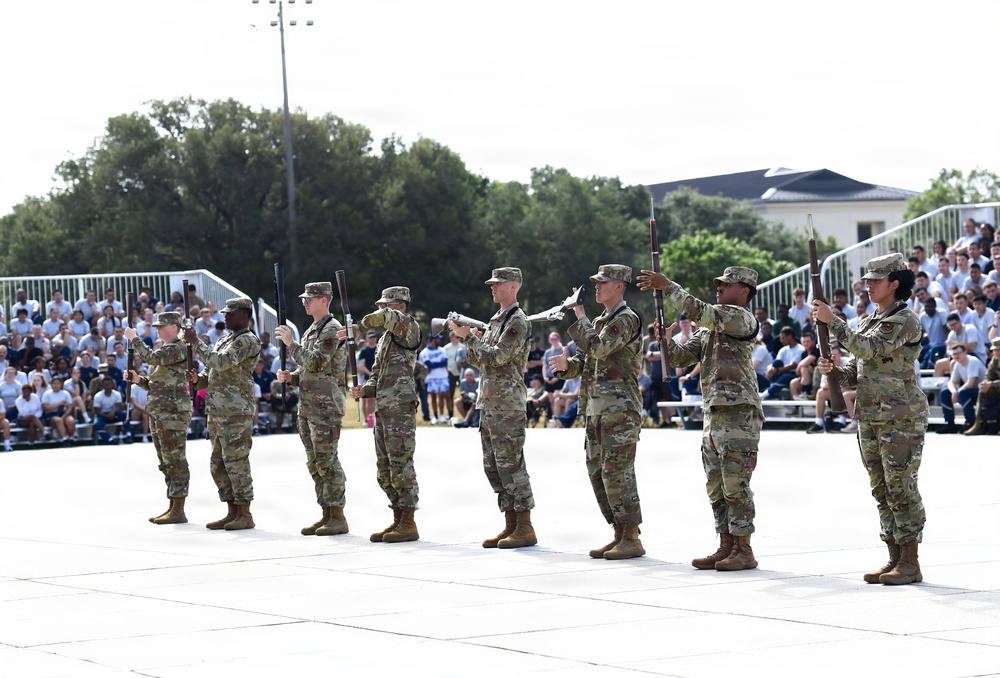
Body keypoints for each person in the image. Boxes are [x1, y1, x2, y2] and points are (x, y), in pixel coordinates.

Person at [638, 265, 763, 572]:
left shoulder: (740, 318)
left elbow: (701, 311)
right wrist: (666, 343)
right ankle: (726, 546)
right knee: (716, 485)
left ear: (744, 291)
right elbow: (683, 358)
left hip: (738, 413)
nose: (719, 288)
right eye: (718, 284)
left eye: (726, 285)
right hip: (714, 413)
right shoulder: (710, 328)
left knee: (736, 484)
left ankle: (744, 549)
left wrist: (669, 287)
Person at [814, 253, 928, 585]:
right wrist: (835, 372)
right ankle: (893, 556)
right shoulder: (868, 319)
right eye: (866, 281)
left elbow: (870, 349)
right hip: (870, 414)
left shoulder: (905, 319)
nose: (868, 286)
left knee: (901, 487)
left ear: (895, 283)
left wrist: (833, 321)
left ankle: (910, 561)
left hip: (900, 417)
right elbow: (858, 371)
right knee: (881, 488)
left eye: (875, 280)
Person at [550, 264, 645, 560]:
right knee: (598, 473)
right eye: (596, 282)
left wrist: (580, 316)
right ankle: (619, 532)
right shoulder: (603, 321)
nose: (597, 286)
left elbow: (600, 349)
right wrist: (568, 368)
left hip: (619, 408)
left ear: (619, 286)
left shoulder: (626, 319)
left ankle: (631, 536)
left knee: (617, 473)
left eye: (603, 282)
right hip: (596, 407)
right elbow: (588, 360)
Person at [451, 267, 537, 550]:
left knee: (511, 465)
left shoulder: (517, 321)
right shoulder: (496, 320)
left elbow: (499, 357)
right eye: (492, 283)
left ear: (513, 286)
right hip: (489, 402)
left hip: (507, 404)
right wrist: (471, 338)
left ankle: (524, 526)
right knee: (493, 466)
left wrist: (470, 337)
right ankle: (510, 523)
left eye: (498, 283)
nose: (493, 287)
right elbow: (480, 362)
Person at [345, 286, 422, 543]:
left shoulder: (407, 326)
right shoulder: (386, 339)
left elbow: (385, 318)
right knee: (385, 468)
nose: (381, 309)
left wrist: (357, 327)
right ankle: (398, 518)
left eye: (385, 305)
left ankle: (408, 522)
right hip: (384, 407)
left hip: (400, 407)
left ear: (400, 304)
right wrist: (364, 390)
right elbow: (377, 375)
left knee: (401, 464)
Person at [274, 282, 350, 538]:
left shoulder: (332, 329)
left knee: (327, 461)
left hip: (325, 406)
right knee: (315, 462)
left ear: (324, 300)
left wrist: (291, 344)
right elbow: (307, 368)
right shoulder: (313, 329)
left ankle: (338, 516)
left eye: (310, 298)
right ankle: (326, 513)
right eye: (304, 298)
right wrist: (291, 377)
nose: (304, 302)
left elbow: (317, 361)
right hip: (309, 405)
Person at [185, 297, 261, 531]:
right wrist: (198, 380)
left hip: (236, 411)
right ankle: (231, 510)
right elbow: (210, 372)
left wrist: (196, 342)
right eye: (225, 313)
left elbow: (221, 362)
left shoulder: (247, 340)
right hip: (218, 411)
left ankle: (244, 512)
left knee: (236, 462)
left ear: (245, 315)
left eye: (231, 313)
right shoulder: (225, 339)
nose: (225, 316)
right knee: (218, 463)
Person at [125, 311, 191, 524]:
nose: (158, 329)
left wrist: (134, 339)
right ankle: (173, 505)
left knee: (175, 460)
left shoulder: (179, 348)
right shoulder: (166, 350)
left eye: (161, 326)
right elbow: (156, 383)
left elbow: (151, 357)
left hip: (172, 412)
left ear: (174, 326)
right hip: (159, 411)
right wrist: (138, 380)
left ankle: (179, 508)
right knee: (165, 461)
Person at [937, 344, 985, 434]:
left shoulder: (973, 361)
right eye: (954, 354)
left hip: (983, 392)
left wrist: (957, 392)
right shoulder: (957, 364)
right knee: (945, 392)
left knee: (963, 393)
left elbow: (971, 383)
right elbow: (951, 382)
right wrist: (954, 391)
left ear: (965, 352)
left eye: (958, 353)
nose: (956, 356)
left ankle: (970, 423)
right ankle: (950, 423)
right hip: (968, 391)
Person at [964, 336, 1000, 436]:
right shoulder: (995, 360)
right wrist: (986, 383)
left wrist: (991, 384)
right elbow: (988, 375)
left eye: (999, 350)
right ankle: (978, 424)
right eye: (995, 350)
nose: (996, 352)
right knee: (983, 390)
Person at [419, 334, 450, 424]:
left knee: (443, 396)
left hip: (443, 376)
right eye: (438, 339)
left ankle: (442, 416)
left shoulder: (442, 350)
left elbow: (445, 363)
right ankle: (435, 417)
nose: (440, 340)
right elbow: (428, 365)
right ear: (432, 340)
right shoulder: (424, 352)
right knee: (433, 397)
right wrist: (438, 363)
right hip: (431, 377)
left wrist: (434, 363)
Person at [92, 376, 132, 444]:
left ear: (112, 385)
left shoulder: (117, 394)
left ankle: (129, 436)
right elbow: (97, 411)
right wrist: (106, 415)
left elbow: (118, 407)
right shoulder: (98, 396)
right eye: (105, 384)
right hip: (102, 415)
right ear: (103, 385)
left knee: (125, 415)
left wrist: (113, 413)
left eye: (109, 384)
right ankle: (110, 439)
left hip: (114, 413)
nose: (107, 386)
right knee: (96, 424)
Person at [40, 376, 76, 444]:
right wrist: (58, 404)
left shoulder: (65, 393)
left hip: (63, 413)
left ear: (61, 384)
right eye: (54, 383)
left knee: (71, 420)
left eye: (58, 383)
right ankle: (64, 439)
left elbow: (70, 407)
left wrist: (64, 415)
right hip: (51, 415)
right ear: (51, 384)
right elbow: (45, 408)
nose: (56, 385)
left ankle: (71, 438)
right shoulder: (47, 394)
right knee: (58, 420)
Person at [356, 330, 378, 427]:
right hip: (367, 378)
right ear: (367, 339)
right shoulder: (364, 351)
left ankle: (375, 418)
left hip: (379, 377)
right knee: (368, 399)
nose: (372, 339)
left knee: (377, 399)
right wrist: (370, 373)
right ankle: (369, 419)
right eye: (370, 337)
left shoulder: (379, 349)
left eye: (373, 337)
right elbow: (362, 365)